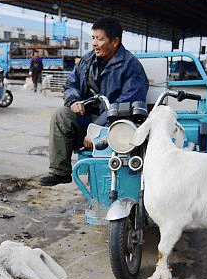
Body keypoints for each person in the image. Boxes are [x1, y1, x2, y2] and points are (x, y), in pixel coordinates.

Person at [39, 17, 148, 186]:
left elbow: (126, 102)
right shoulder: (87, 60)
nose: (95, 43)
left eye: (100, 39)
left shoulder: (131, 66)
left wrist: (97, 131)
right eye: (93, 38)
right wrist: (74, 101)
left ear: (115, 42)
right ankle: (60, 172)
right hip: (89, 117)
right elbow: (71, 84)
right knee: (61, 116)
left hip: (116, 123)